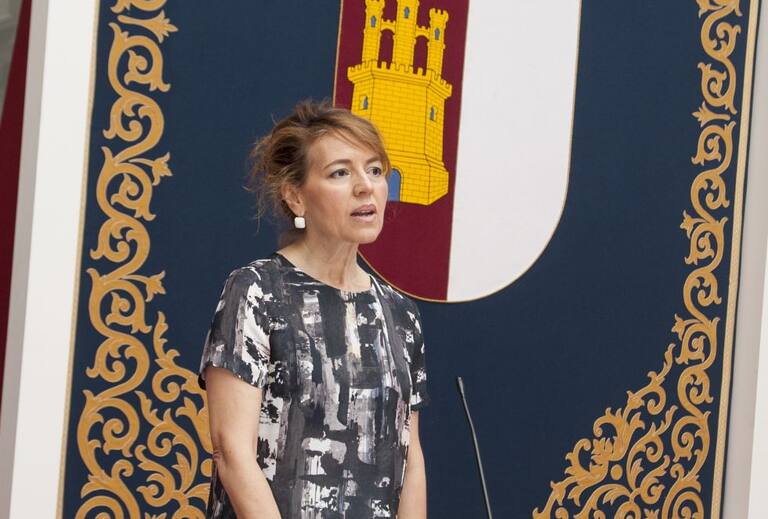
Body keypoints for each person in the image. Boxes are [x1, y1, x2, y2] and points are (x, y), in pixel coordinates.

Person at [197, 99, 430, 518]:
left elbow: (409, 459)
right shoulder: (257, 289)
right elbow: (231, 451)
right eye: (341, 172)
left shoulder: (400, 313)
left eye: (375, 170)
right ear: (295, 197)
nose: (366, 186)